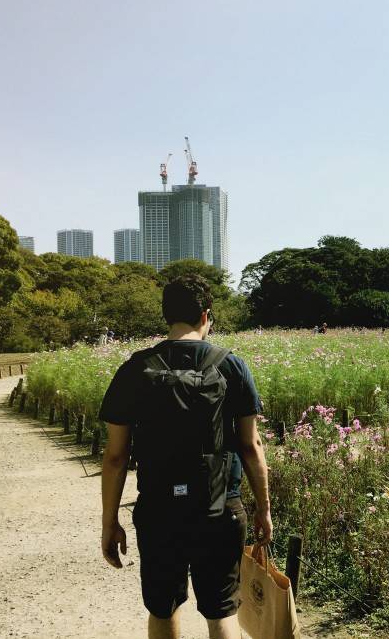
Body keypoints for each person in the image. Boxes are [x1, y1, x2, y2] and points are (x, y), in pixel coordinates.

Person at [99, 274, 272, 639]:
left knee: (163, 607)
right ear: (206, 315)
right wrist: (264, 509)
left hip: (159, 511)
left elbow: (115, 457)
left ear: (166, 315)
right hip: (221, 507)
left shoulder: (135, 369)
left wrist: (109, 521)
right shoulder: (232, 366)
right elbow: (250, 446)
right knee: (222, 610)